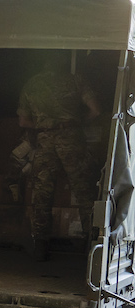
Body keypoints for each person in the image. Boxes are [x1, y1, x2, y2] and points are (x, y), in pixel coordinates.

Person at [17, 51, 101, 261]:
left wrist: (46, 125)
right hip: (71, 139)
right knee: (83, 192)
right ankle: (92, 246)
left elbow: (23, 122)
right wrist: (76, 123)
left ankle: (41, 245)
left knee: (42, 193)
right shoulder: (75, 79)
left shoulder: (32, 84)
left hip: (45, 141)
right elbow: (96, 110)